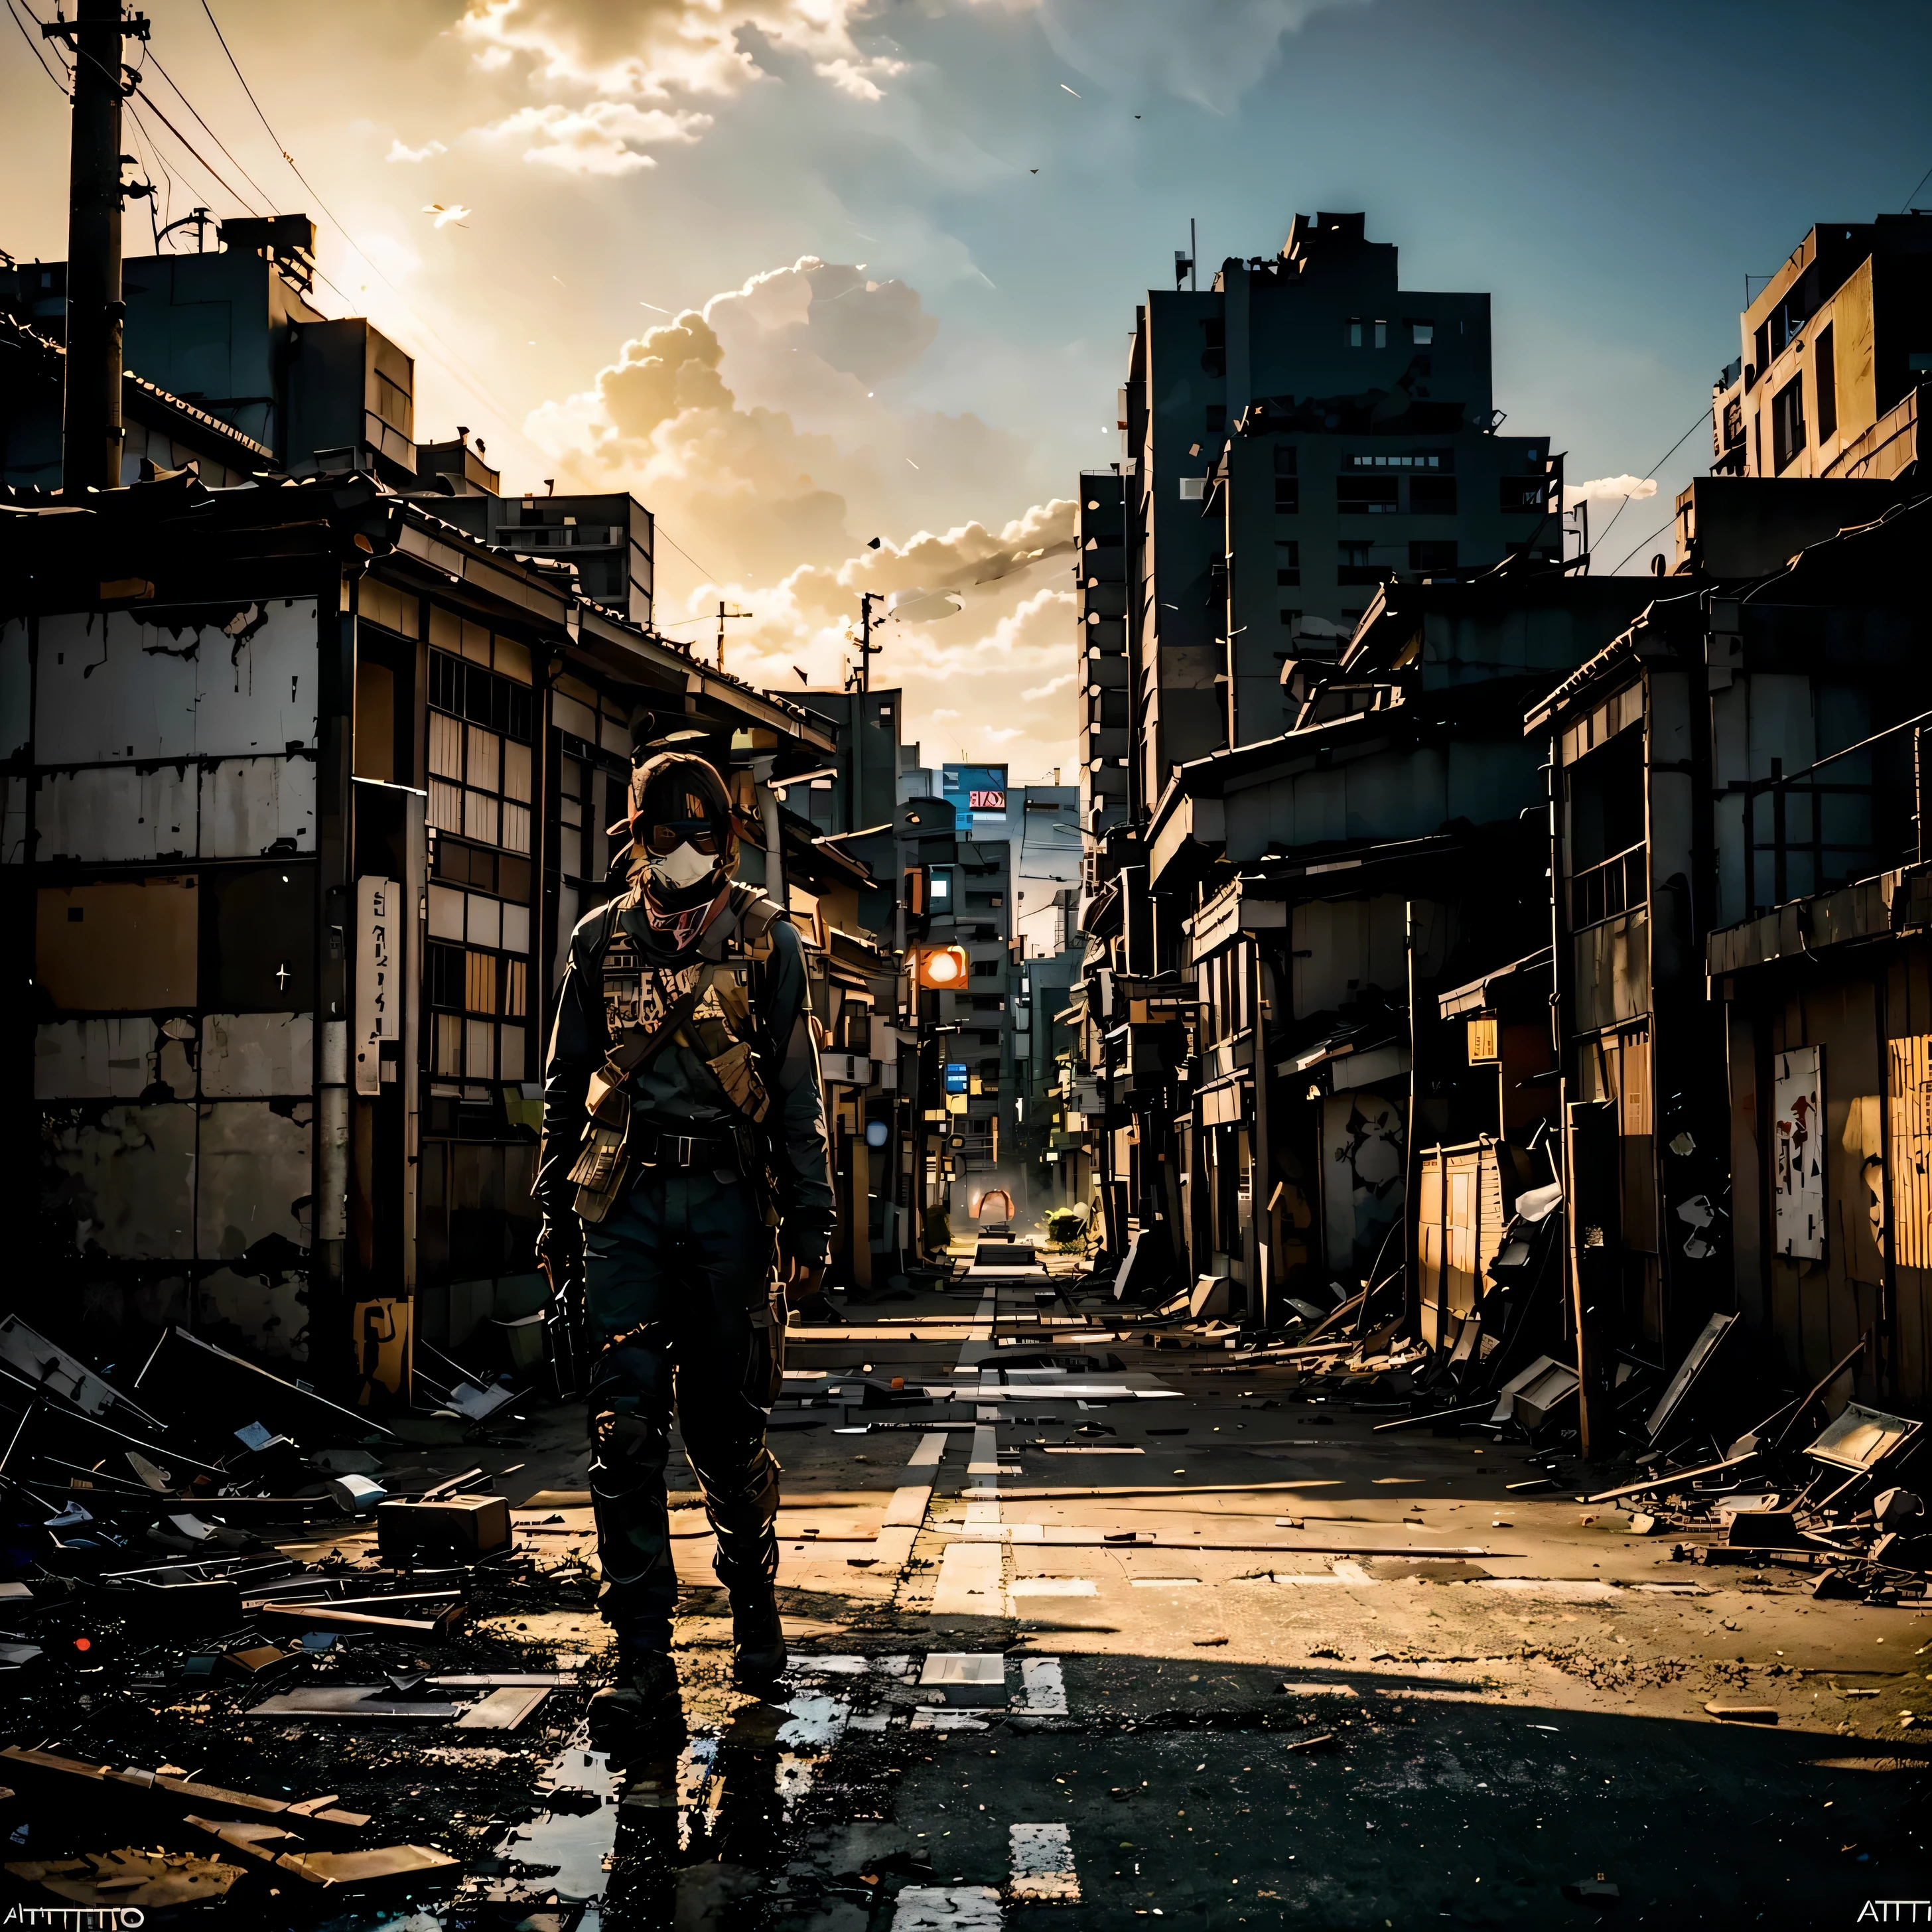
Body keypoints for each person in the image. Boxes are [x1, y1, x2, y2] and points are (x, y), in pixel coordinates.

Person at [535, 749, 835, 1710]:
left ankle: (754, 1600)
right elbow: (562, 1092)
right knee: (623, 1432)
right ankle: (642, 1662)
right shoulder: (596, 941)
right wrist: (551, 1210)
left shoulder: (766, 939)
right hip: (619, 1204)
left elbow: (798, 1091)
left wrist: (810, 1214)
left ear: (731, 837)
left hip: (730, 1208)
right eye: (666, 833)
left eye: (705, 833)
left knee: (725, 1430)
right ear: (635, 836)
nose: (685, 851)